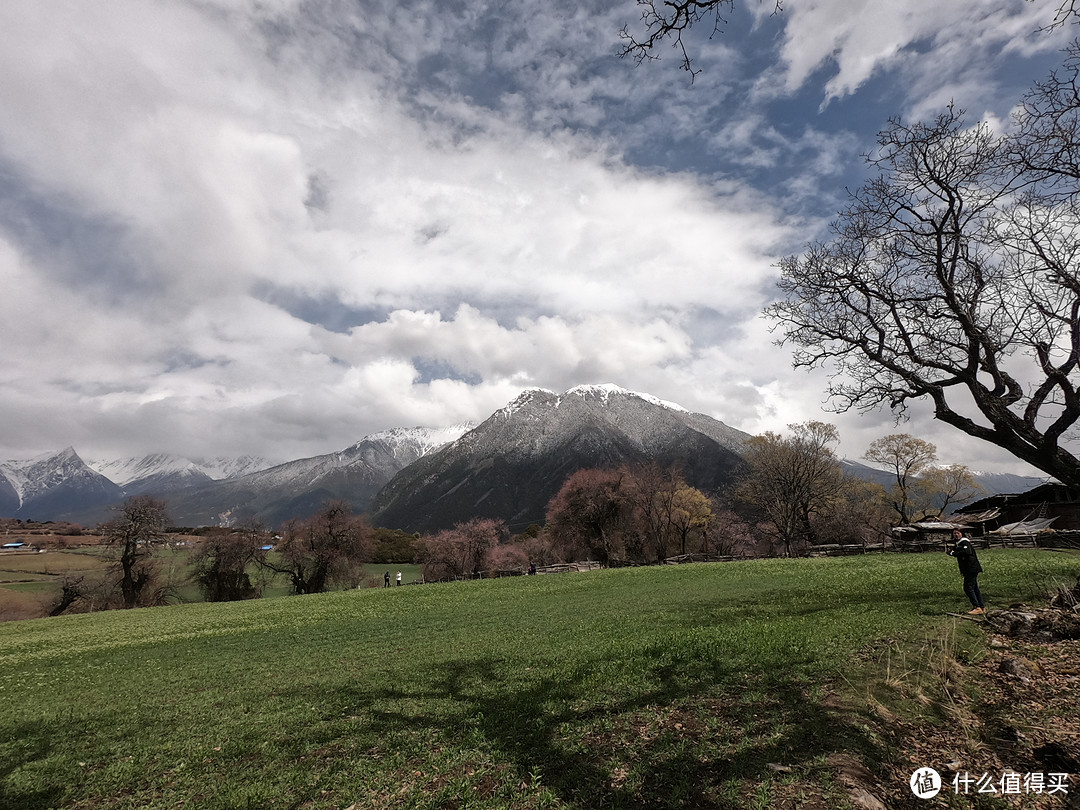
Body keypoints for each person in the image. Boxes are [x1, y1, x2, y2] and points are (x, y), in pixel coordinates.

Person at [947, 529, 985, 615]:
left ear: (962, 534)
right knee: (975, 588)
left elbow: (966, 552)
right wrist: (952, 552)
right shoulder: (960, 544)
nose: (956, 535)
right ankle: (982, 607)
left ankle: (977, 607)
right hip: (970, 568)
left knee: (968, 588)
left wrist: (953, 553)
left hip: (970, 568)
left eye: (958, 533)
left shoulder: (964, 543)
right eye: (954, 533)